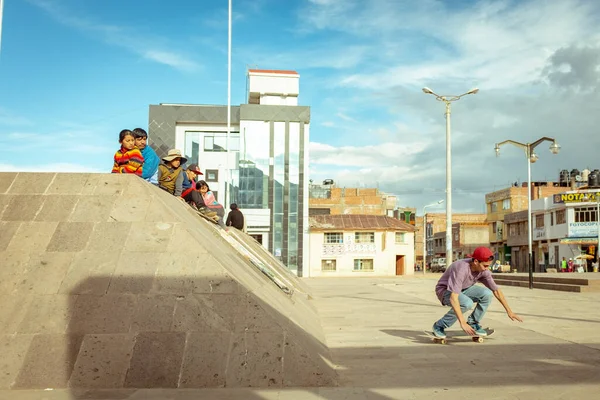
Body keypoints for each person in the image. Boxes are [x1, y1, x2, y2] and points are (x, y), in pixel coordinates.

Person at [431, 247, 523, 339]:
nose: (487, 269)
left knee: (487, 294)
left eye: (488, 266)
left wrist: (509, 311)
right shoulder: (461, 268)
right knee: (467, 303)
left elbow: (496, 291)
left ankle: (473, 322)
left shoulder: (484, 271)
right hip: (445, 291)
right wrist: (462, 322)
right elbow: (453, 298)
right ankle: (439, 325)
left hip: (464, 289)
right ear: (475, 261)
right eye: (485, 266)